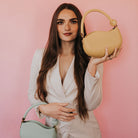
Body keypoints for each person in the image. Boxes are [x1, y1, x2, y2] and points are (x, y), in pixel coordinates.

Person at [28, 3, 121, 138]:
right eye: (60, 22)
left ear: (80, 26)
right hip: (52, 131)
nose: (67, 27)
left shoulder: (92, 58)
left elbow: (91, 104)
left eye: (73, 21)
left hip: (85, 132)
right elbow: (32, 92)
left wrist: (92, 66)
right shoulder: (40, 56)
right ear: (55, 26)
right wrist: (43, 109)